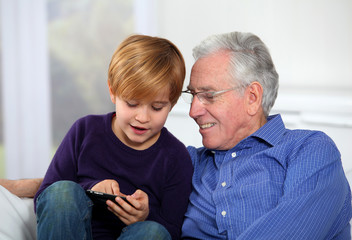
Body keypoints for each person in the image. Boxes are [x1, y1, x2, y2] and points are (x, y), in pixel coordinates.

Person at [180, 32, 352, 239]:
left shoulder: (309, 150)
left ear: (252, 97)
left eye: (209, 96)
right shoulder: (190, 162)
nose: (193, 111)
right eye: (192, 96)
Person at [34, 34, 193, 240]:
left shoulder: (176, 157)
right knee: (62, 192)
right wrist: (91, 190)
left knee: (153, 232)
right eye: (132, 104)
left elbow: (173, 231)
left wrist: (144, 216)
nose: (142, 117)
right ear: (112, 91)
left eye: (157, 107)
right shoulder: (85, 130)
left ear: (171, 103)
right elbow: (46, 198)